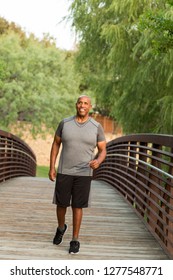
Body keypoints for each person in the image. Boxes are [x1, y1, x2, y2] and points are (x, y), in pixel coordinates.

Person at [48, 95, 106, 254]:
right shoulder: (65, 123)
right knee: (61, 204)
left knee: (77, 206)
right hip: (64, 170)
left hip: (84, 173)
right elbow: (56, 144)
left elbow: (103, 150)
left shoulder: (96, 127)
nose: (82, 105)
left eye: (86, 103)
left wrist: (98, 161)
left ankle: (75, 239)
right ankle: (61, 227)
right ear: (76, 105)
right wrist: (52, 166)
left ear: (90, 107)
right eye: (80, 102)